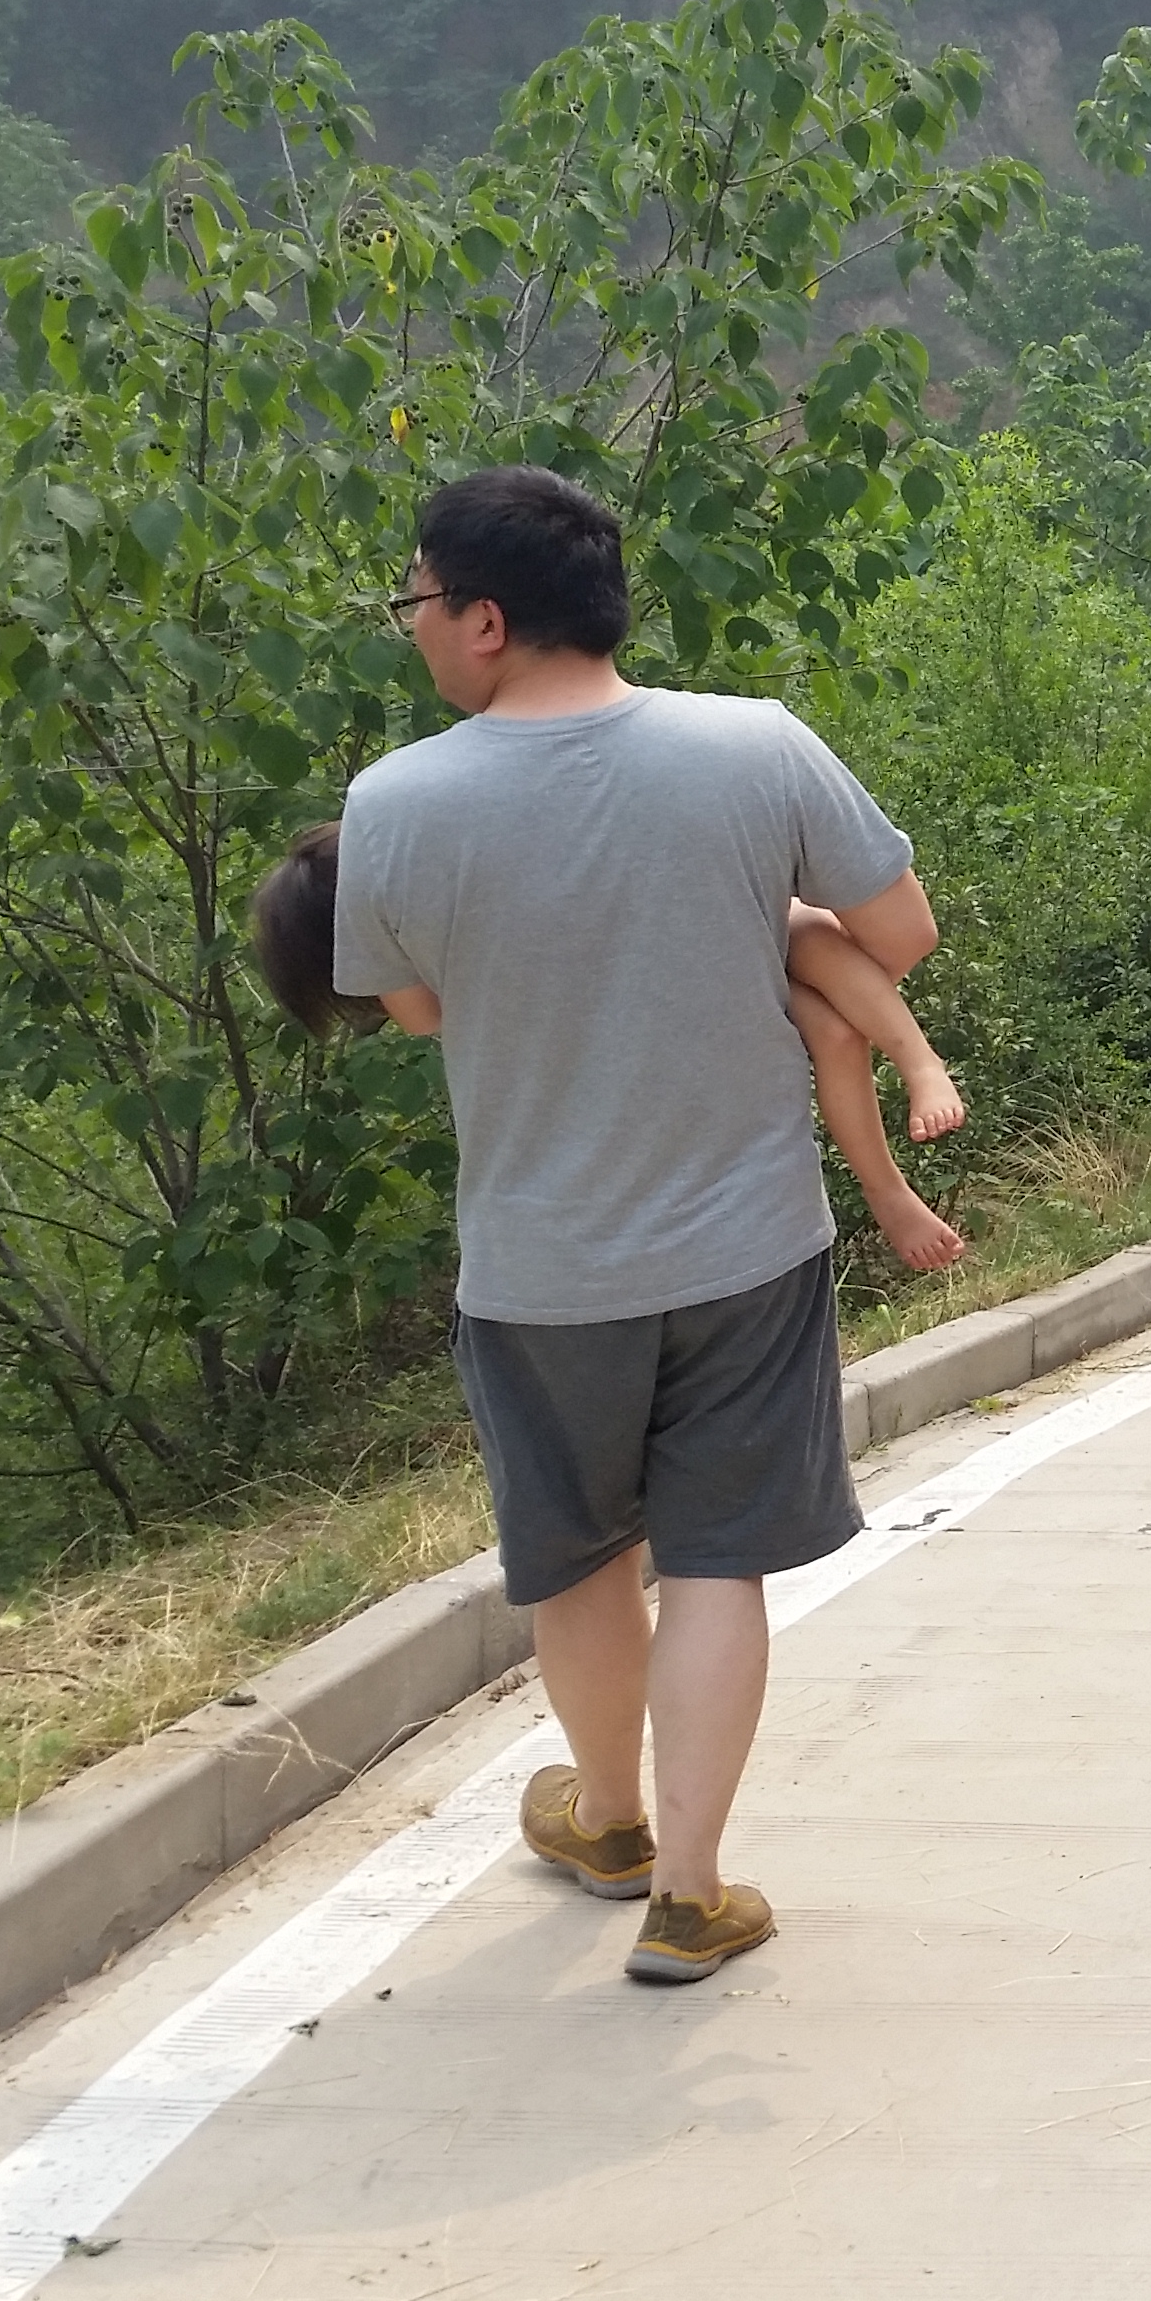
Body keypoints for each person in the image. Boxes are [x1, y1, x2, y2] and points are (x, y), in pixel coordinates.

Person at [328, 465, 938, 1988]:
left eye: (415, 599)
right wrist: (777, 932)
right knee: (717, 1561)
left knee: (580, 1557)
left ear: (481, 620)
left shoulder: (396, 799)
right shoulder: (753, 744)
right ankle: (692, 1888)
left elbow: (415, 1009)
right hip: (745, 1244)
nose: (413, 626)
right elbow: (904, 934)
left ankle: (601, 1820)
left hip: (539, 1262)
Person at [255, 824, 972, 1273]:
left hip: (717, 923)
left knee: (808, 937)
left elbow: (420, 1017)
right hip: (699, 960)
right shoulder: (438, 867)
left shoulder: (433, 871)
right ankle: (891, 1193)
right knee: (836, 1029)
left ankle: (919, 1066)